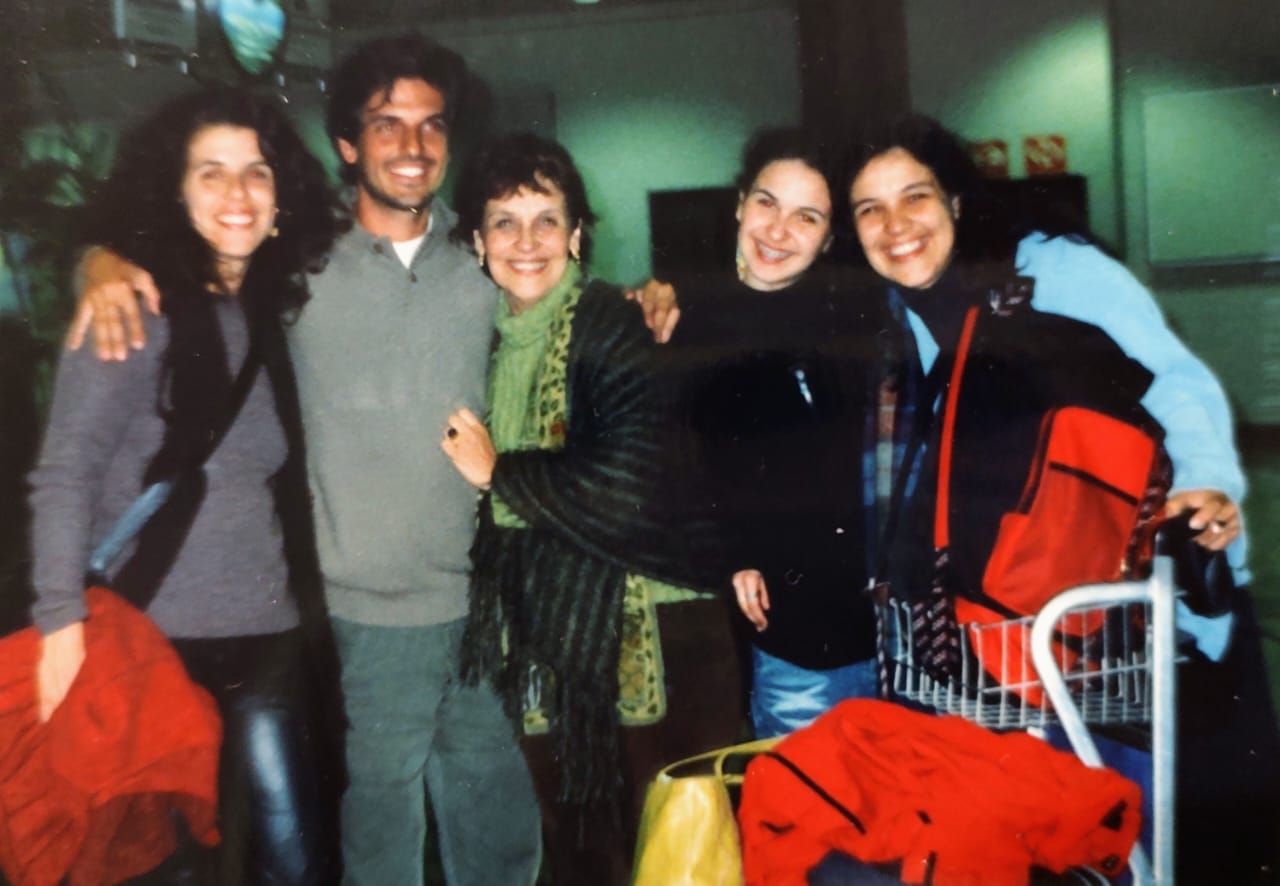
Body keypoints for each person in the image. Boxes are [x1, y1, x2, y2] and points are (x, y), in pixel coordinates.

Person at [66, 34, 679, 886]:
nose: (413, 144)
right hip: (361, 616)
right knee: (378, 839)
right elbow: (188, 248)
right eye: (387, 123)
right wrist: (97, 262)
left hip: (482, 608)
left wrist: (643, 295)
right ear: (348, 145)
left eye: (432, 124)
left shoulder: (479, 258)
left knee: (499, 829)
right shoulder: (297, 262)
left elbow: (557, 294)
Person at [845, 112, 1280, 884]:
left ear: (956, 201)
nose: (895, 225)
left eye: (915, 197)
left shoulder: (1051, 271)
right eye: (869, 209)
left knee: (1171, 835)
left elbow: (1171, 380)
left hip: (1129, 611)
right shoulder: (900, 318)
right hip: (1020, 629)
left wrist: (1205, 481)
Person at [29, 87, 338, 884]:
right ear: (175, 190)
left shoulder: (269, 309)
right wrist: (60, 622)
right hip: (151, 645)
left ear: (281, 197)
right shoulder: (133, 307)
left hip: (264, 639)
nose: (238, 193)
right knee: (175, 872)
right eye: (211, 172)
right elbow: (65, 471)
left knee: (295, 863)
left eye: (257, 172)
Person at [441, 132, 743, 886]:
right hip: (547, 637)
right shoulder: (474, 342)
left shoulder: (612, 322)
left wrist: (499, 476)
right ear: (477, 242)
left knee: (666, 852)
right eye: (505, 222)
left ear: (576, 235)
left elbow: (628, 484)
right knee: (580, 847)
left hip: (654, 631)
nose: (527, 242)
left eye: (547, 220)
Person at [662, 128, 888, 739]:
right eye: (767, 203)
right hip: (786, 634)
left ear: (829, 237)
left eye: (806, 217)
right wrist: (732, 552)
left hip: (881, 629)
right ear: (740, 204)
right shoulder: (685, 328)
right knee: (799, 782)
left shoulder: (854, 322)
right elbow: (683, 470)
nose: (778, 231)